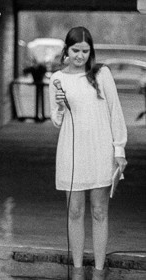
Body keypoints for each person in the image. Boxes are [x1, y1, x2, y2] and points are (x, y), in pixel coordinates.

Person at [49, 27, 127, 280]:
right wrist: (60, 106)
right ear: (67, 50)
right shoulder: (57, 78)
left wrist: (119, 149)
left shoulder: (102, 74)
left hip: (100, 148)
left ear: (91, 51)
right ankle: (77, 269)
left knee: (99, 211)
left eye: (85, 51)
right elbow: (56, 120)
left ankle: (99, 270)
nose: (80, 56)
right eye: (75, 50)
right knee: (74, 211)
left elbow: (115, 111)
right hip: (71, 150)